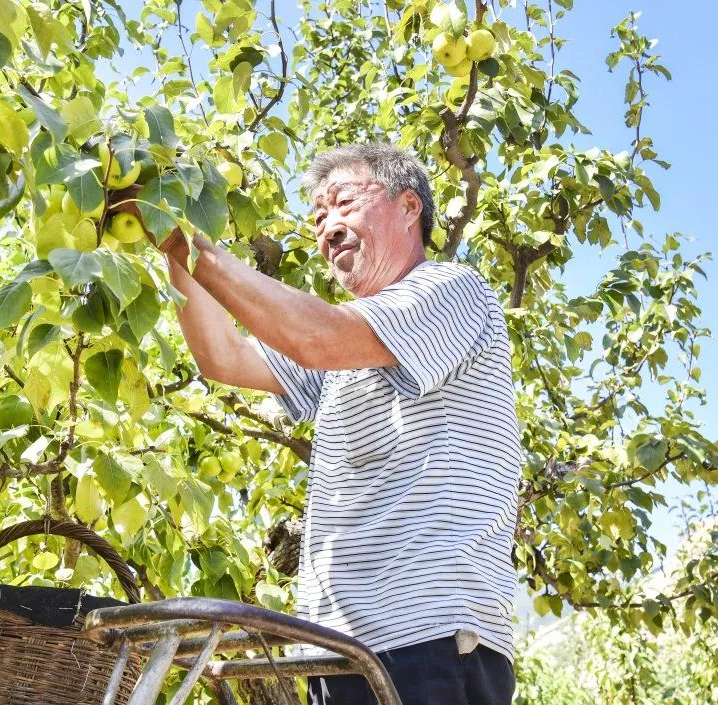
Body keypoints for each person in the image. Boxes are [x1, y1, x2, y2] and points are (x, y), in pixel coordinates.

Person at [116, 142, 520, 705]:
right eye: (318, 216)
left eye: (344, 203)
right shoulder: (344, 356)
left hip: (428, 637)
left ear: (409, 207)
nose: (328, 226)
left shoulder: (451, 290)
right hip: (338, 647)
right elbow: (224, 358)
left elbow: (317, 334)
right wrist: (170, 243)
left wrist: (190, 239)